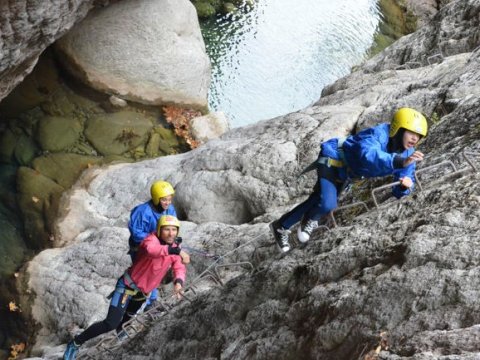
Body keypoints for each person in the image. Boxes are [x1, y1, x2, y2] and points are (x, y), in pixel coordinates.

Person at [270, 107, 428, 252]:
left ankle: (281, 226)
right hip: (332, 159)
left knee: (317, 199)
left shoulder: (408, 155)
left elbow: (404, 181)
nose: (415, 138)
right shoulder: (379, 134)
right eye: (411, 133)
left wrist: (403, 187)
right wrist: (398, 161)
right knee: (328, 203)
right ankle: (310, 219)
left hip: (347, 173)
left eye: (418, 136)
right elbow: (367, 154)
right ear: (398, 129)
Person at [63, 215, 190, 360]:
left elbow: (179, 267)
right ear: (159, 230)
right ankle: (75, 342)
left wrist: (178, 283)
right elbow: (152, 251)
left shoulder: (175, 248)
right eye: (167, 229)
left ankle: (121, 332)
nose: (171, 233)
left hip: (143, 292)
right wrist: (177, 251)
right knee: (110, 323)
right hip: (127, 286)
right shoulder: (151, 240)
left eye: (174, 230)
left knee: (128, 318)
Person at [128, 180, 177, 309]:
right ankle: (145, 301)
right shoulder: (142, 212)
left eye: (169, 199)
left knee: (157, 271)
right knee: (146, 274)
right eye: (164, 200)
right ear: (156, 199)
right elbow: (136, 233)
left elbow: (172, 225)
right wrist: (155, 240)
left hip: (160, 246)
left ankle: (152, 300)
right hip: (142, 248)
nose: (168, 203)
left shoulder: (169, 209)